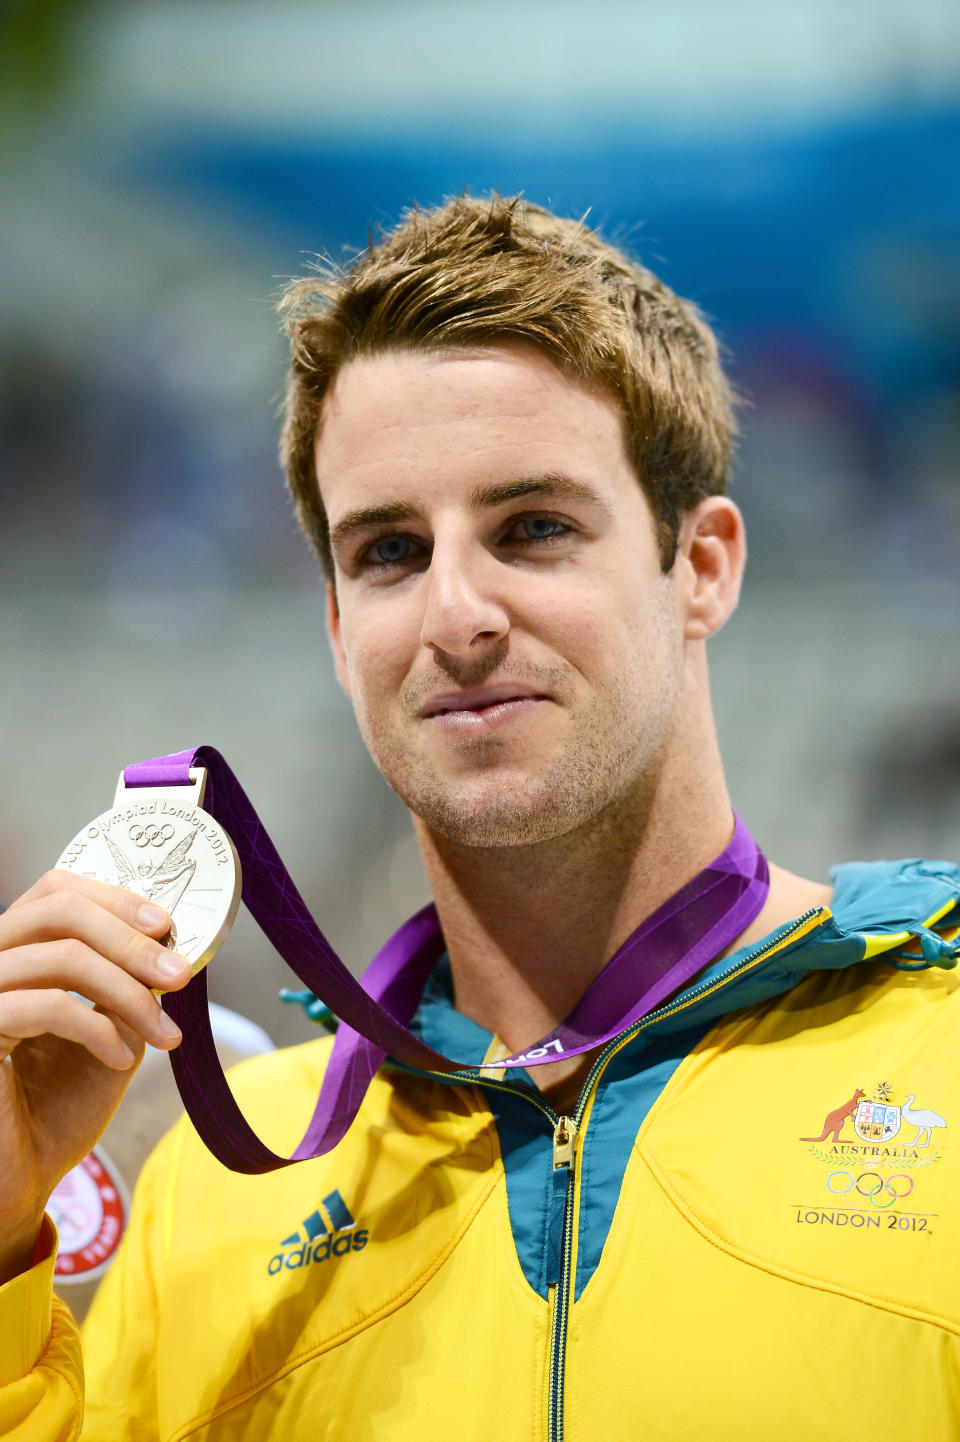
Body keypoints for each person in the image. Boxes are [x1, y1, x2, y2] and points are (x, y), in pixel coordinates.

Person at [1, 194, 958, 1441]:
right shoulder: (216, 1188)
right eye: (390, 551)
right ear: (341, 629)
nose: (457, 615)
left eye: (535, 527)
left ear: (703, 567)